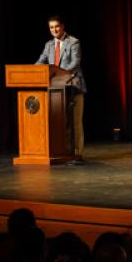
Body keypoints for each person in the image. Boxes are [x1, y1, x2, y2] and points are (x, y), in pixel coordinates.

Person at [36, 16, 87, 161]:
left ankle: (77, 153)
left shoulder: (73, 42)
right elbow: (41, 61)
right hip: (56, 91)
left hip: (73, 88)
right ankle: (63, 152)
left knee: (75, 122)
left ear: (63, 26)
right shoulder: (49, 45)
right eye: (51, 27)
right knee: (60, 123)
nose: (54, 30)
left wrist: (56, 72)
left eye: (56, 26)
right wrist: (31, 71)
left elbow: (75, 63)